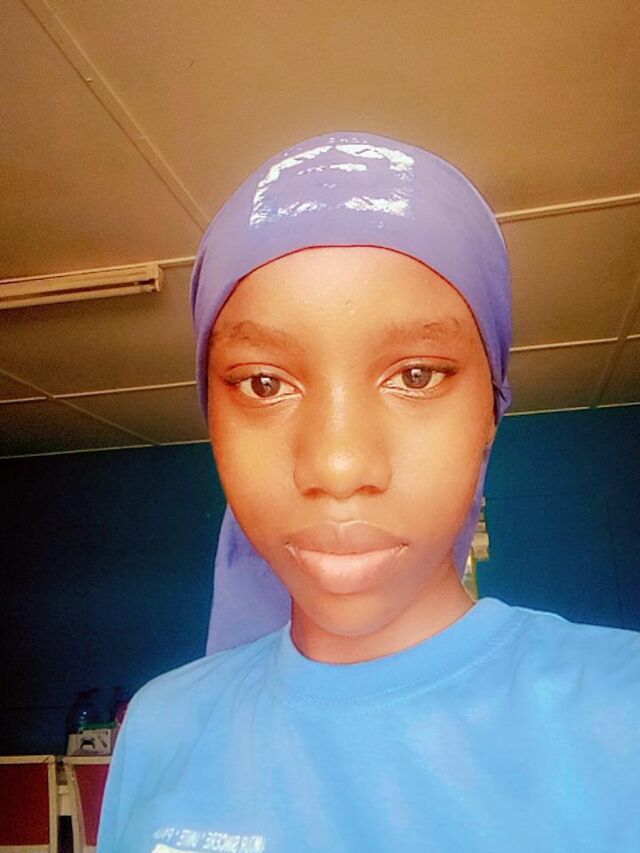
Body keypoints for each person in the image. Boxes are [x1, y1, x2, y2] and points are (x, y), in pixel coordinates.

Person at [97, 132, 640, 853]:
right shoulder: (160, 727)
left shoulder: (622, 714)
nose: (338, 464)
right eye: (264, 383)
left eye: (416, 374)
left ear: (491, 411)